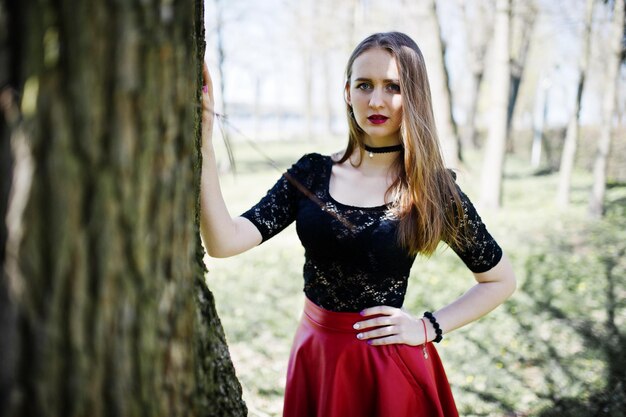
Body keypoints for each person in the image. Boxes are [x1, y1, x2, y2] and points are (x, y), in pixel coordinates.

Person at [200, 31, 516, 417]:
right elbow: (224, 241)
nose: (376, 100)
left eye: (393, 87)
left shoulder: (433, 189)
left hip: (386, 370)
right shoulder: (312, 173)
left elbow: (500, 280)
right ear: (347, 92)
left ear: (413, 96)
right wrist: (202, 142)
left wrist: (428, 326)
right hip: (315, 353)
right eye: (364, 84)